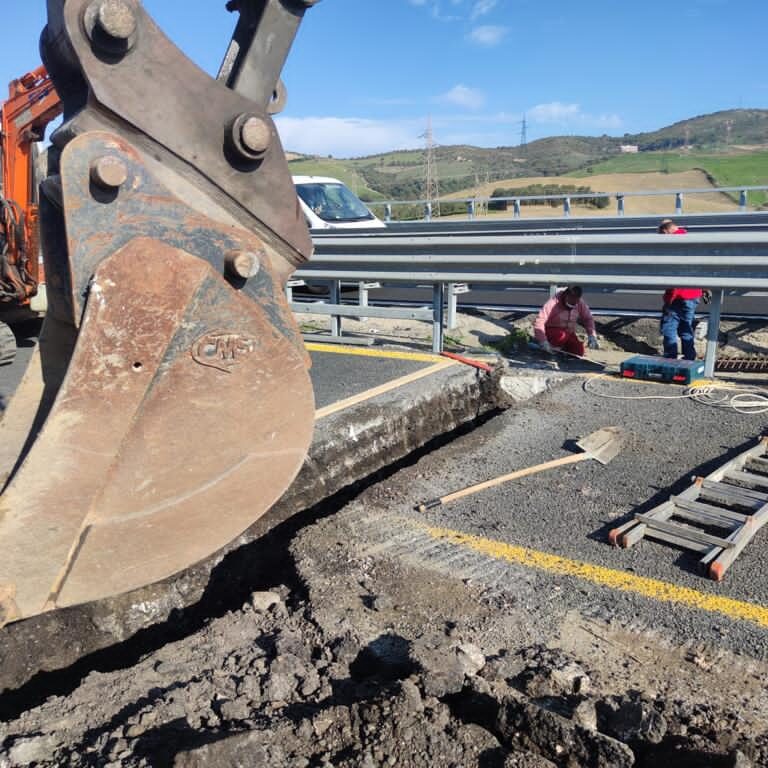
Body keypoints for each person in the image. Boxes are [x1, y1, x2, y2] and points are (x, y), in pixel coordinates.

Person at [658, 218, 708, 360]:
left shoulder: (673, 245)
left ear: (666, 231)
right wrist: (703, 288)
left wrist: (669, 300)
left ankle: (670, 357)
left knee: (669, 327)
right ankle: (689, 357)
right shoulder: (691, 241)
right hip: (693, 295)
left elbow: (676, 276)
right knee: (686, 327)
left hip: (677, 295)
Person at [534, 286, 599, 357]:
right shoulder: (553, 303)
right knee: (562, 336)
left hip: (568, 333)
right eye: (571, 302)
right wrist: (543, 341)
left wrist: (592, 335)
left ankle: (563, 351)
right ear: (565, 296)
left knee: (579, 350)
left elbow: (588, 319)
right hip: (552, 332)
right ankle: (550, 349)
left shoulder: (580, 303)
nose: (572, 305)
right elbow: (540, 321)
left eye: (575, 303)